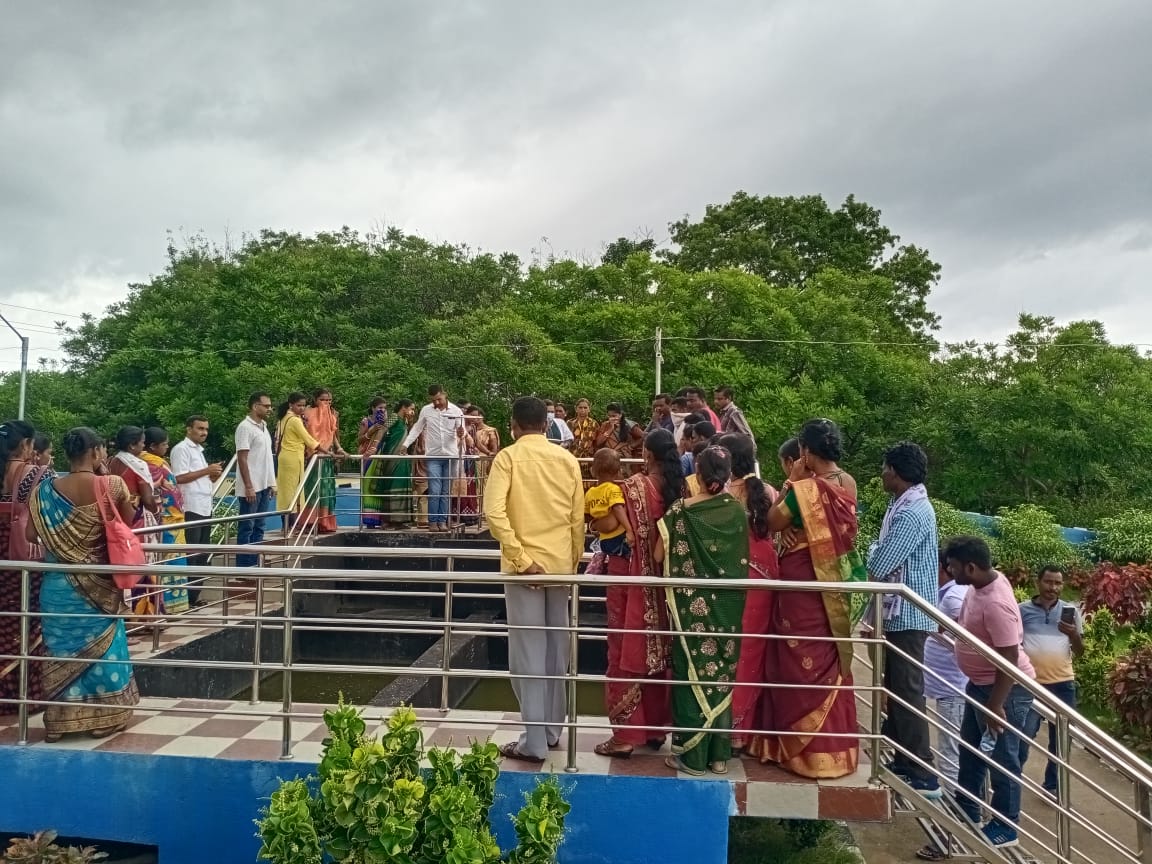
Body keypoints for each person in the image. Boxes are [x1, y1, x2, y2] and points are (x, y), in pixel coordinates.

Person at [750, 419, 863, 779]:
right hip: (836, 588)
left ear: (807, 452)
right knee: (826, 656)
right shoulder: (848, 482)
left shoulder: (804, 491)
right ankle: (834, 752)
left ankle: (798, 751)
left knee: (795, 659)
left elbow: (771, 522)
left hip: (802, 585)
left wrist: (792, 482)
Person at [484, 396, 584, 764]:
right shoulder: (567, 460)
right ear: (546, 425)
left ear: (513, 425)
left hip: (524, 571)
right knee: (557, 652)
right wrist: (568, 565)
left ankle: (535, 742)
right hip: (559, 568)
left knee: (528, 654)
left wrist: (522, 559)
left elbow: (493, 512)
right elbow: (577, 521)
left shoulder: (508, 458)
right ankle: (553, 731)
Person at [27, 427, 140, 740]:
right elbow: (128, 524)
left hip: (57, 589)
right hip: (99, 589)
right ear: (96, 452)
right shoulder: (111, 484)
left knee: (60, 651)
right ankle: (106, 718)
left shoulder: (43, 491)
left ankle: (59, 723)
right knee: (105, 652)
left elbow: (30, 536)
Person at [653, 445, 749, 776]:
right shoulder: (737, 512)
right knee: (721, 676)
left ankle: (691, 758)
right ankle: (719, 757)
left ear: (698, 472)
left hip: (691, 612)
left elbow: (657, 555)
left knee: (690, 674)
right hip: (727, 612)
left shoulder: (681, 512)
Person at [593, 428, 682, 759]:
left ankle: (626, 735)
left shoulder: (630, 489)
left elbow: (603, 524)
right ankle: (656, 729)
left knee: (624, 653)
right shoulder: (680, 489)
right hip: (667, 586)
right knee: (661, 653)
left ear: (647, 455)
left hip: (629, 582)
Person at [945, 535, 1036, 849]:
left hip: (1005, 691)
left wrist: (995, 706)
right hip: (981, 685)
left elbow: (1009, 657)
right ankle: (966, 808)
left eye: (953, 566)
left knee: (1003, 758)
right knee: (970, 750)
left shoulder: (995, 602)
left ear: (970, 567)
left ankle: (1006, 826)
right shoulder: (978, 585)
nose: (948, 569)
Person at [867, 441, 941, 797]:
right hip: (899, 613)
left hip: (908, 614)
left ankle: (922, 768)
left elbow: (880, 565)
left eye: (884, 468)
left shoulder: (912, 513)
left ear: (895, 472)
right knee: (895, 689)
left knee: (907, 691)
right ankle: (903, 758)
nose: (881, 474)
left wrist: (871, 551)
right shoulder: (903, 505)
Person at [718, 433, 780, 753]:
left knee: (729, 654)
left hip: (732, 581)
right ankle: (746, 732)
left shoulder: (723, 494)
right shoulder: (768, 491)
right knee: (752, 655)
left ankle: (725, 728)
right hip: (765, 583)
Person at [915, 552, 972, 863]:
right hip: (941, 687)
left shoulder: (954, 598)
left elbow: (963, 640)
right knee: (952, 755)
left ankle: (945, 834)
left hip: (954, 689)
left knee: (951, 758)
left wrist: (928, 626)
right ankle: (957, 823)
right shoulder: (946, 593)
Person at [1020, 564, 1083, 797]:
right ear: (1038, 582)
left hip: (1063, 684)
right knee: (1023, 734)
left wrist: (1073, 635)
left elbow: (1080, 651)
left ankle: (1052, 784)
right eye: (1048, 582)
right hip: (1031, 684)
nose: (1053, 587)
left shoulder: (1071, 611)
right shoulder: (1022, 610)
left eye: (1058, 583)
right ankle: (1011, 778)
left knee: (1061, 740)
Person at [0, 420, 48, 714]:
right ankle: (23, 693)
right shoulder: (36, 474)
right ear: (26, 445)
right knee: (26, 620)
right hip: (21, 557)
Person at [108, 426, 164, 619]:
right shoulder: (137, 465)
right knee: (142, 565)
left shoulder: (112, 462)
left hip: (116, 519)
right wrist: (157, 512)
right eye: (141, 442)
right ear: (132, 445)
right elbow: (148, 500)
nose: (143, 445)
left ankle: (127, 613)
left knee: (123, 564)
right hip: (136, 519)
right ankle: (144, 615)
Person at [169, 416, 222, 606]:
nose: (204, 432)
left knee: (202, 554)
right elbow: (179, 477)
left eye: (206, 429)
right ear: (188, 429)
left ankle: (195, 596)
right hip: (190, 508)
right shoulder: (181, 449)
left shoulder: (199, 451)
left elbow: (201, 479)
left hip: (204, 506)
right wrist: (207, 471)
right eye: (200, 428)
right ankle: (188, 597)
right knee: (192, 554)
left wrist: (213, 476)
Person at [402, 385, 465, 533]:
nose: (437, 403)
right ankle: (433, 521)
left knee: (445, 491)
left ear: (445, 394)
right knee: (435, 490)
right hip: (433, 456)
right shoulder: (426, 410)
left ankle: (442, 521)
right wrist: (406, 444)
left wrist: (462, 433)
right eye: (434, 400)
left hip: (451, 456)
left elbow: (462, 432)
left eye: (439, 399)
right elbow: (417, 428)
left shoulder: (456, 411)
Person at [142, 427, 190, 615]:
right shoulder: (158, 465)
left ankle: (160, 605)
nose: (167, 447)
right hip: (168, 522)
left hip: (153, 522)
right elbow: (171, 494)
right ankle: (171, 606)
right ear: (153, 446)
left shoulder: (138, 462)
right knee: (172, 563)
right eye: (164, 444)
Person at [235, 392, 276, 567]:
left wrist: (272, 482)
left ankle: (254, 561)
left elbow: (266, 458)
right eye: (266, 406)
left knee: (259, 526)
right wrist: (249, 486)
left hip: (264, 485)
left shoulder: (263, 427)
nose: (269, 409)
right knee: (247, 526)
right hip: (251, 487)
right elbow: (242, 458)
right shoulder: (245, 427)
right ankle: (244, 565)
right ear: (254, 406)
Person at [362, 400, 417, 527]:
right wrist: (374, 447)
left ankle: (400, 520)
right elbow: (382, 430)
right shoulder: (394, 417)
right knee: (392, 486)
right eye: (411, 409)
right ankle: (389, 520)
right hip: (392, 457)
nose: (412, 412)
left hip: (402, 459)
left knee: (402, 486)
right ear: (403, 408)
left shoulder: (404, 421)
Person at [300, 388, 347, 534]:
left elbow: (333, 434)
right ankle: (309, 522)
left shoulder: (333, 414)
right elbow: (304, 435)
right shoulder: (306, 414)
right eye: (323, 400)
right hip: (312, 457)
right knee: (312, 490)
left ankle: (325, 523)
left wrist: (339, 449)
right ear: (315, 400)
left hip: (327, 457)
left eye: (329, 400)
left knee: (326, 489)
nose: (326, 403)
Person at [275, 393, 323, 530]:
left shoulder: (283, 418)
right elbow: (308, 439)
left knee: (286, 492)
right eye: (299, 405)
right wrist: (327, 451)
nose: (302, 408)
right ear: (291, 404)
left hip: (285, 457)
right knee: (293, 493)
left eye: (303, 405)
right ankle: (290, 526)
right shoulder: (295, 420)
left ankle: (286, 526)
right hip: (293, 458)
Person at [584, 449, 634, 559]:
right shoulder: (613, 489)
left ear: (593, 471)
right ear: (617, 473)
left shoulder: (590, 493)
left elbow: (586, 514)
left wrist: (594, 525)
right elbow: (617, 509)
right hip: (617, 538)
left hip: (603, 540)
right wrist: (629, 530)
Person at [357, 398, 389, 528]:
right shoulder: (366, 421)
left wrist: (384, 425)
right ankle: (370, 521)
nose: (382, 410)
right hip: (368, 457)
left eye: (384, 408)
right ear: (372, 408)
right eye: (379, 408)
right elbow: (359, 441)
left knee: (379, 487)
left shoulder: (387, 422)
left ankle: (381, 519)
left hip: (382, 455)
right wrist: (372, 430)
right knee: (369, 487)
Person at [595, 403, 645, 470]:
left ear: (620, 415)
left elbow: (643, 436)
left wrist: (630, 447)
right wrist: (611, 429)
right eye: (609, 416)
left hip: (623, 459)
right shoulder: (605, 425)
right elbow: (598, 442)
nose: (611, 418)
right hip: (608, 458)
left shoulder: (629, 425)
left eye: (614, 416)